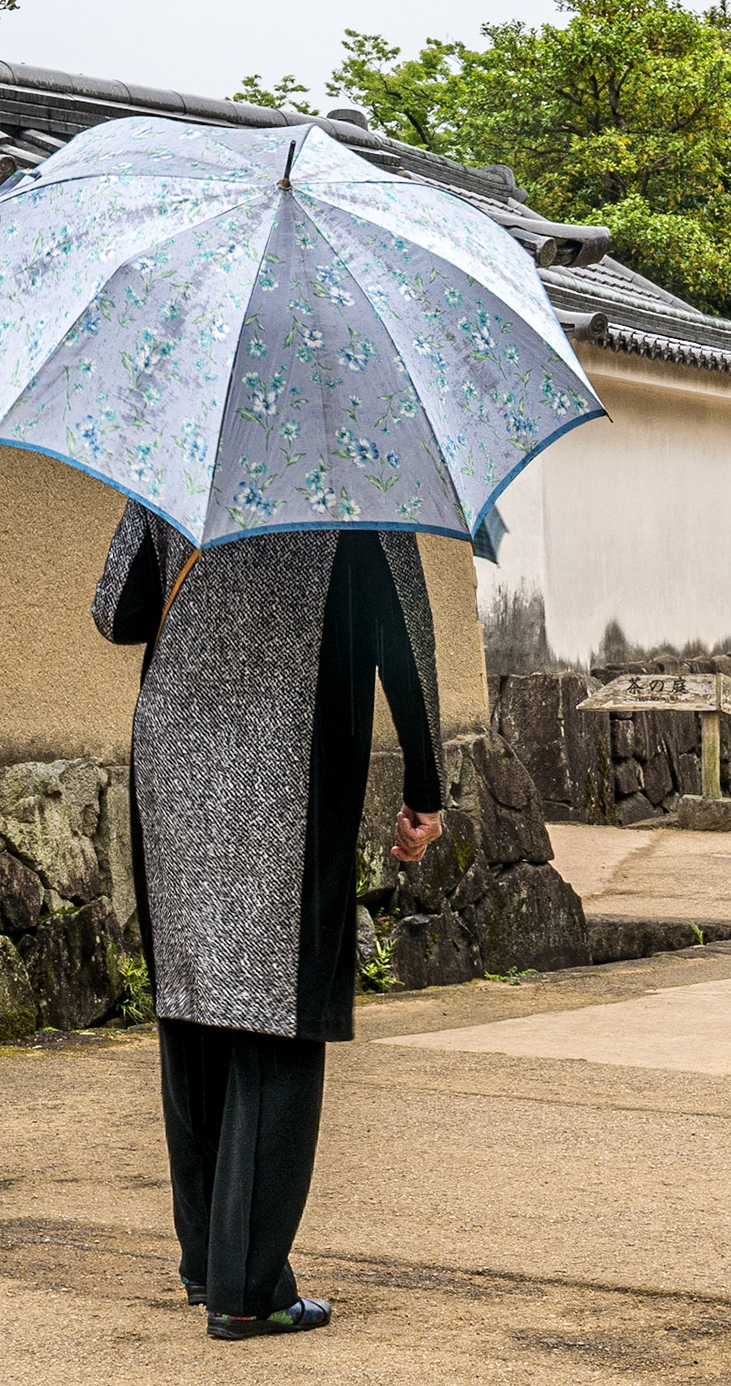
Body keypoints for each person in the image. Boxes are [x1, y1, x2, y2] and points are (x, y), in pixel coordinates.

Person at [93, 506, 445, 1340]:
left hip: (176, 748)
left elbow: (116, 610)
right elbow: (403, 628)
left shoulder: (183, 435)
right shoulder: (356, 462)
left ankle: (204, 1257)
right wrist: (425, 785)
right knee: (279, 1013)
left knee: (195, 997)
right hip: (291, 751)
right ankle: (249, 1285)